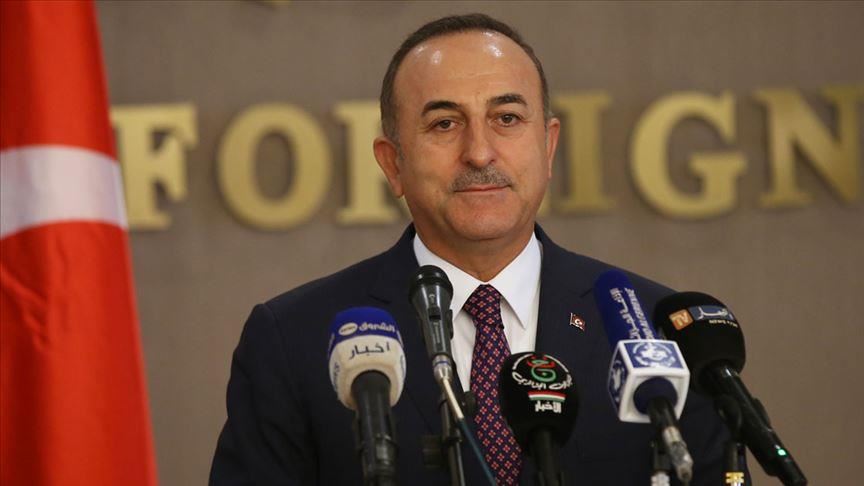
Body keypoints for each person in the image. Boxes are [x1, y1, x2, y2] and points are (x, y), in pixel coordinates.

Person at [210, 14, 731, 485]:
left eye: (507, 118)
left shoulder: (659, 331)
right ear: (393, 163)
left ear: (548, 146)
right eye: (444, 123)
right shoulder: (293, 340)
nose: (480, 152)